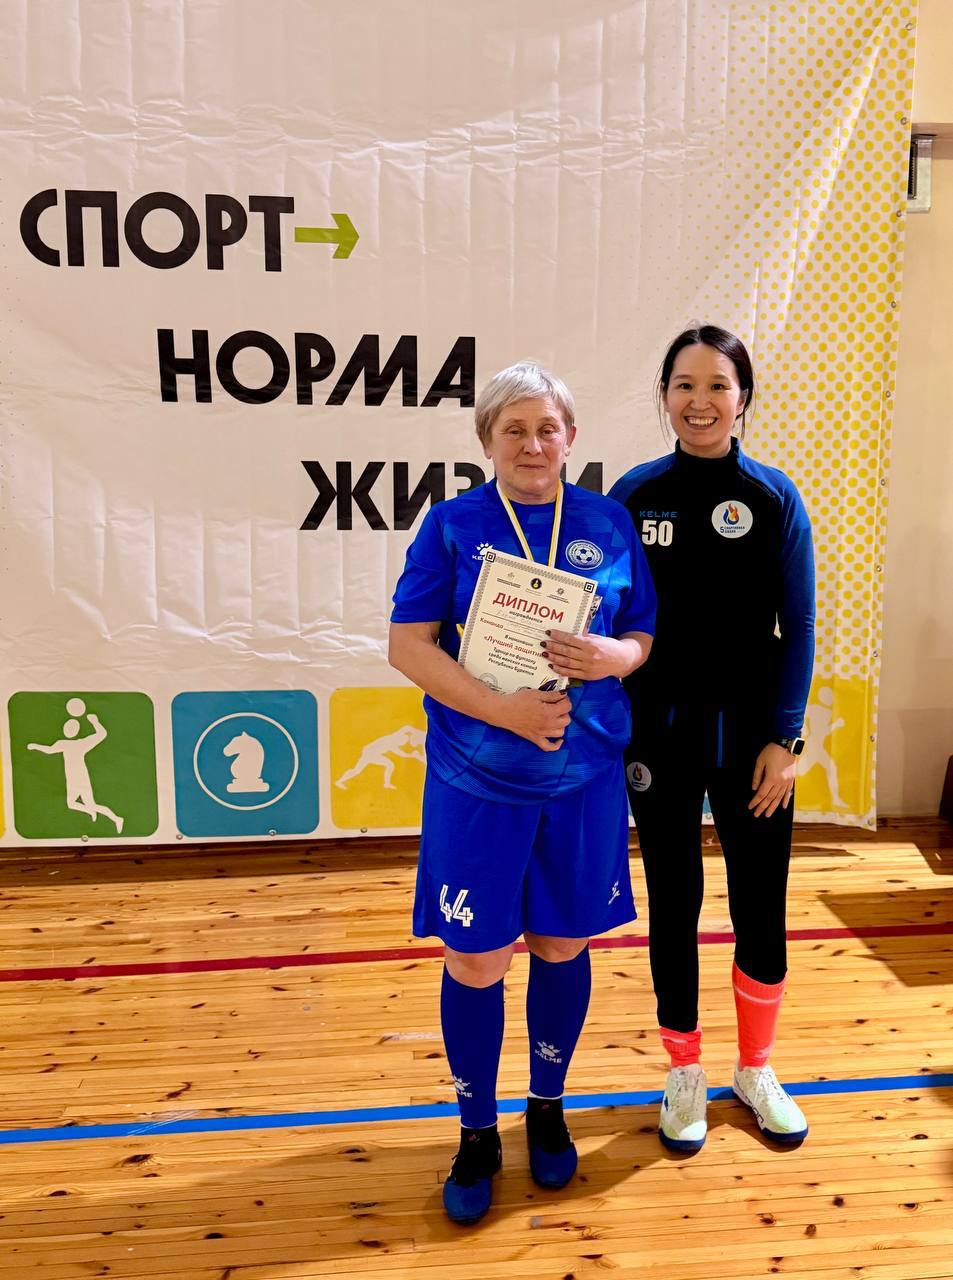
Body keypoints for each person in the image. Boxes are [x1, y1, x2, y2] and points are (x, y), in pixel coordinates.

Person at [389, 362, 656, 1223]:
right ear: (487, 441)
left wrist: (616, 657)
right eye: (514, 430)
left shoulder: (607, 522)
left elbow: (641, 632)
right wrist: (501, 710)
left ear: (571, 438)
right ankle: (476, 1133)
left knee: (561, 945)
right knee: (475, 958)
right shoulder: (452, 526)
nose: (533, 444)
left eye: (547, 428)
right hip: (477, 779)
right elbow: (406, 645)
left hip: (581, 778)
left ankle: (546, 1107)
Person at [609, 325, 814, 1154]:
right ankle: (683, 1073)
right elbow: (606, 616)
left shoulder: (773, 497)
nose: (700, 402)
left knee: (760, 906)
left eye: (717, 386)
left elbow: (798, 625)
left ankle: (755, 1069)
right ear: (663, 396)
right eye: (684, 386)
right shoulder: (632, 494)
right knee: (675, 903)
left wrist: (785, 738)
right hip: (657, 742)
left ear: (742, 397)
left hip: (753, 746)